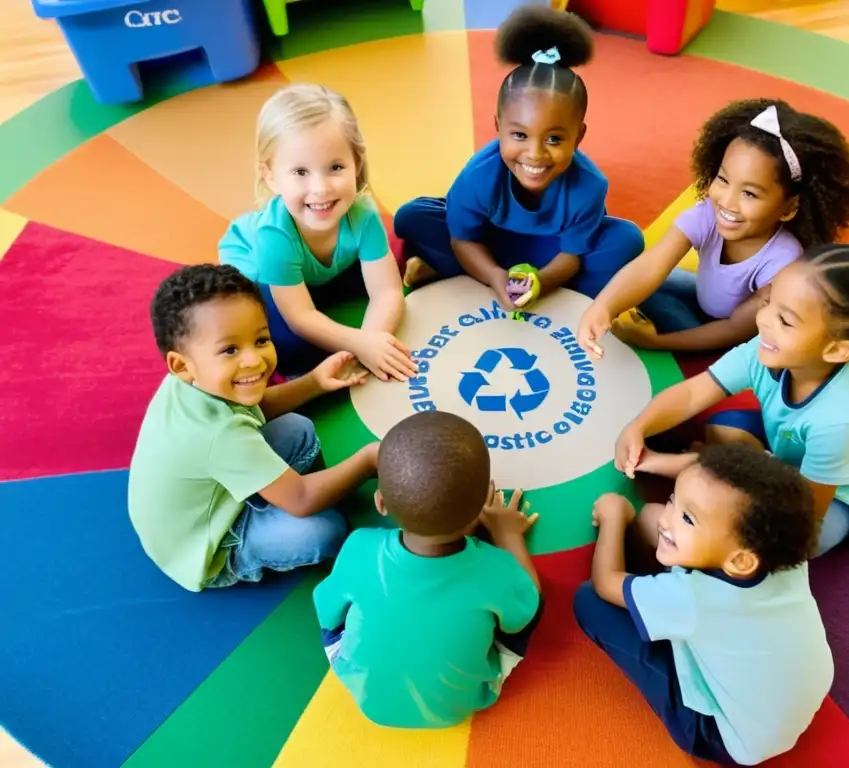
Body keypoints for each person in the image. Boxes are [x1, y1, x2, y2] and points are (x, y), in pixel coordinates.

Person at [614, 244, 849, 556]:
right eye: (769, 302)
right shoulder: (765, 349)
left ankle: (715, 476)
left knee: (781, 543)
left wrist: (695, 476)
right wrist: (640, 425)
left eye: (785, 320)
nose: (763, 321)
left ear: (836, 349)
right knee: (722, 428)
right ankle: (719, 471)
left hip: (846, 494)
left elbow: (806, 510)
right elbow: (692, 393)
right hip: (790, 451)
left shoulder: (841, 420)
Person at [574, 444, 833, 765]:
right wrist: (666, 513)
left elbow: (605, 582)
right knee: (650, 519)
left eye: (687, 517)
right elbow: (666, 516)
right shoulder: (782, 554)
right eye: (673, 499)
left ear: (739, 560)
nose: (669, 517)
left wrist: (614, 518)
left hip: (723, 736)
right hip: (787, 703)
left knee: (588, 602)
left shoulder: (692, 598)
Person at [128, 264, 378, 592]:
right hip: (207, 546)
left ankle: (281, 492)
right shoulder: (221, 435)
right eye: (230, 349)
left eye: (261, 339)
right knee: (323, 530)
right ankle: (248, 544)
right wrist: (370, 459)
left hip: (201, 500)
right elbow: (301, 499)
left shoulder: (191, 381)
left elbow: (251, 408)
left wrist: (315, 381)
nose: (254, 361)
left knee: (298, 429)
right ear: (181, 365)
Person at [393, 5, 644, 310]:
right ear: (498, 128)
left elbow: (571, 256)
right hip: (488, 244)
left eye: (554, 139)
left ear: (578, 136)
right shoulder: (479, 176)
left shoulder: (589, 186)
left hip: (550, 255)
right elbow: (464, 240)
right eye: (520, 135)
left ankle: (446, 272)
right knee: (412, 216)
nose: (535, 154)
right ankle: (461, 270)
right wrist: (495, 275)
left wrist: (540, 280)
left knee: (627, 240)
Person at [577, 98, 849, 355]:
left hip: (721, 330)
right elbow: (653, 264)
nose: (727, 202)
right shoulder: (709, 214)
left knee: (660, 311)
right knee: (627, 273)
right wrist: (603, 307)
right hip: (702, 297)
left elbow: (734, 331)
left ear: (789, 207)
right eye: (723, 180)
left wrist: (655, 342)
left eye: (749, 194)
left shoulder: (783, 262)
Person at [313, 410, 543, 728]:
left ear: (381, 504)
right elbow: (524, 615)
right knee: (526, 601)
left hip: (367, 696)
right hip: (463, 701)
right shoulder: (497, 567)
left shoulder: (360, 546)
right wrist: (507, 534)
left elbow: (328, 615)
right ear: (481, 508)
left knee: (348, 607)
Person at [219, 83, 417, 381]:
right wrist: (360, 344)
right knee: (288, 346)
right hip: (258, 273)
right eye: (300, 172)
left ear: (356, 163)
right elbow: (300, 317)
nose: (321, 189)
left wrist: (372, 341)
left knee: (385, 285)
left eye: (335, 167)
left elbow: (387, 291)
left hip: (317, 271)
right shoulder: (273, 236)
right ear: (270, 176)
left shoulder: (363, 214)